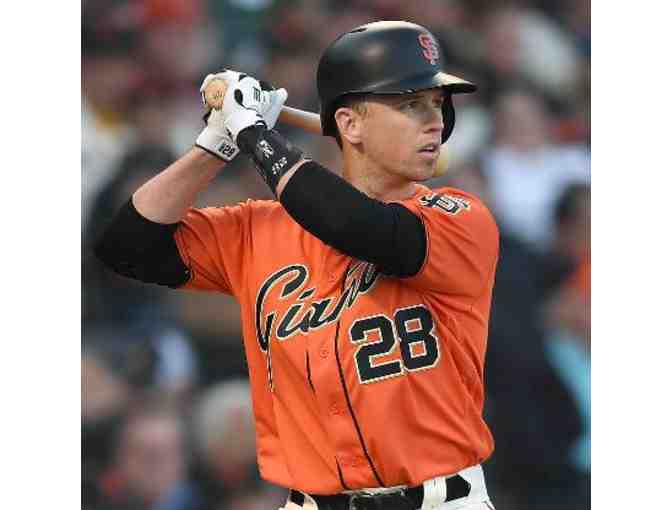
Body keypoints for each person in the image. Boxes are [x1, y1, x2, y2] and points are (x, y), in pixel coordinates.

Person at [96, 21, 499, 510]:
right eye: (411, 104)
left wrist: (256, 135)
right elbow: (126, 246)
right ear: (350, 124)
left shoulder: (460, 219)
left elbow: (357, 225)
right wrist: (215, 144)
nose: (435, 121)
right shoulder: (259, 230)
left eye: (437, 104)